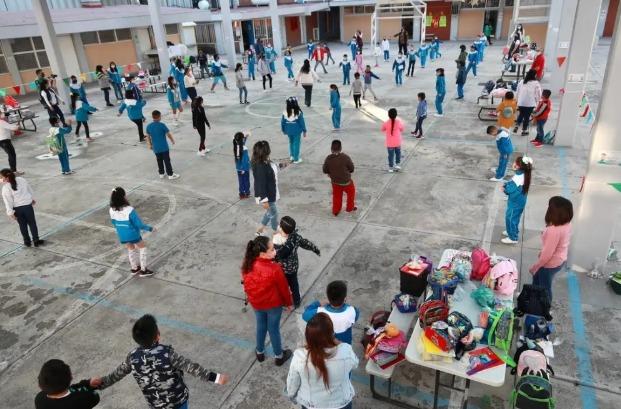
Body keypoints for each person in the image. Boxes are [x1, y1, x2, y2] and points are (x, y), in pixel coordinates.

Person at [91, 314, 228, 408]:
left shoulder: (132, 357)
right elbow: (192, 368)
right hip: (177, 401)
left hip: (155, 403)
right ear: (157, 335)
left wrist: (98, 384)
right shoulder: (167, 353)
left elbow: (116, 375)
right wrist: (216, 378)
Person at [286, 313, 359, 409]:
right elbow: (355, 364)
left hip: (311, 404)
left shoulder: (299, 357)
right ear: (332, 333)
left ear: (308, 337)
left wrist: (292, 396)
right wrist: (340, 344)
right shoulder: (345, 350)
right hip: (341, 403)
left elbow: (292, 384)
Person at [242, 236, 293, 365]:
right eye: (271, 249)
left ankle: (259, 352)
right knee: (273, 329)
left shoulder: (248, 264)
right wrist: (288, 303)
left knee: (261, 326)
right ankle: (279, 356)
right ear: (263, 254)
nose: (275, 250)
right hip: (273, 305)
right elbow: (284, 289)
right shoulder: (274, 268)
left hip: (257, 303)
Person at [529, 196, 573, 301]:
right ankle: (532, 298)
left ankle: (544, 309)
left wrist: (535, 267)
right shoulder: (567, 224)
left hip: (549, 264)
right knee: (537, 280)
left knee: (545, 288)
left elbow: (546, 255)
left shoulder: (553, 230)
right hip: (560, 260)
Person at [274, 216, 320, 308]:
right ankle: (297, 301)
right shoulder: (295, 237)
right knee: (294, 284)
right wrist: (315, 249)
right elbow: (306, 243)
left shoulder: (278, 241)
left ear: (282, 229)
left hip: (282, 268)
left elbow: (275, 255)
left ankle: (284, 301)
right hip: (294, 266)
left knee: (283, 285)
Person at [109, 187, 154, 276]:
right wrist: (150, 228)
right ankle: (144, 270)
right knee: (143, 248)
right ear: (123, 197)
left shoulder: (111, 209)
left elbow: (114, 223)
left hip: (122, 234)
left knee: (131, 249)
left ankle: (134, 268)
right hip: (132, 233)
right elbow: (139, 225)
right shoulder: (129, 209)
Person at [1, 169, 43, 247]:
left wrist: (10, 213)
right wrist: (31, 198)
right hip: (27, 206)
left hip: (18, 209)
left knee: (22, 225)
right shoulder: (21, 179)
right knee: (32, 223)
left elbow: (8, 202)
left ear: (6, 178)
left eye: (2, 177)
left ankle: (27, 242)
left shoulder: (6, 188)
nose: (1, 179)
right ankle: (36, 240)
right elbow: (29, 189)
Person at [35, 359, 99, 409]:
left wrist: (86, 383)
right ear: (71, 377)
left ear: (41, 384)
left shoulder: (39, 399)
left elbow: (70, 390)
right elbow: (95, 397)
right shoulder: (84, 398)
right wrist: (87, 384)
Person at [501, 156, 532, 245]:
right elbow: (512, 183)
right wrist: (507, 185)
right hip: (518, 202)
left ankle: (513, 237)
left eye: (515, 163)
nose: (513, 163)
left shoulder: (518, 178)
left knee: (510, 218)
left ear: (518, 166)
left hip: (515, 204)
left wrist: (504, 188)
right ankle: (510, 230)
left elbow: (510, 189)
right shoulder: (523, 174)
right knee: (514, 218)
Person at [252, 140, 280, 235]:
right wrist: (264, 200)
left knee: (269, 212)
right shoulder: (261, 167)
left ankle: (260, 229)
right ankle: (276, 231)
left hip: (269, 193)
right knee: (274, 213)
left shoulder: (261, 162)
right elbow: (261, 184)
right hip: (266, 195)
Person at [322, 140, 356, 216]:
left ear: (331, 149)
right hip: (346, 181)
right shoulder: (345, 157)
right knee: (351, 194)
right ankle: (350, 208)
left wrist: (329, 173)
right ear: (340, 148)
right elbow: (352, 168)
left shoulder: (328, 159)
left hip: (335, 182)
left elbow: (324, 170)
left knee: (337, 196)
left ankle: (336, 210)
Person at [145, 110, 180, 180]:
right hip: (164, 147)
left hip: (156, 148)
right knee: (167, 160)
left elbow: (147, 136)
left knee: (159, 160)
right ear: (159, 117)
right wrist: (172, 140)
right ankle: (170, 174)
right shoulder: (162, 125)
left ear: (153, 117)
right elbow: (168, 134)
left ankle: (161, 173)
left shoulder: (149, 126)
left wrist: (149, 145)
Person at [515, 69, 542, 136]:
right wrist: (538, 100)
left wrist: (517, 100)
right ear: (534, 75)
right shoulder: (536, 83)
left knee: (521, 114)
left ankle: (517, 126)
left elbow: (517, 91)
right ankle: (524, 131)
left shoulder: (522, 81)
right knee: (527, 117)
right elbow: (538, 94)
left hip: (521, 102)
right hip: (530, 103)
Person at [281, 97, 307, 164]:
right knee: (296, 144)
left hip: (288, 131)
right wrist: (304, 130)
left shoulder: (285, 112)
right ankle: (296, 159)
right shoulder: (298, 112)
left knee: (291, 142)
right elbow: (302, 123)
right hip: (296, 131)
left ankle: (292, 156)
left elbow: (282, 122)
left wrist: (283, 130)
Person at [381, 108, 404, 173]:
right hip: (397, 142)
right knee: (398, 153)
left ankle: (391, 168)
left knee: (391, 156)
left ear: (388, 115)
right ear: (396, 115)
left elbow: (382, 129)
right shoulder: (398, 122)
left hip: (390, 143)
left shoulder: (386, 123)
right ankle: (397, 165)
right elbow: (402, 129)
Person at [233, 131, 251, 199]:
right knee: (246, 181)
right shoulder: (243, 149)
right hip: (244, 168)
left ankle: (241, 193)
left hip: (239, 168)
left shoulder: (237, 146)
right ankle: (246, 193)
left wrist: (246, 136)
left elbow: (242, 142)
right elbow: (244, 160)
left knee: (241, 181)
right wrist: (244, 168)